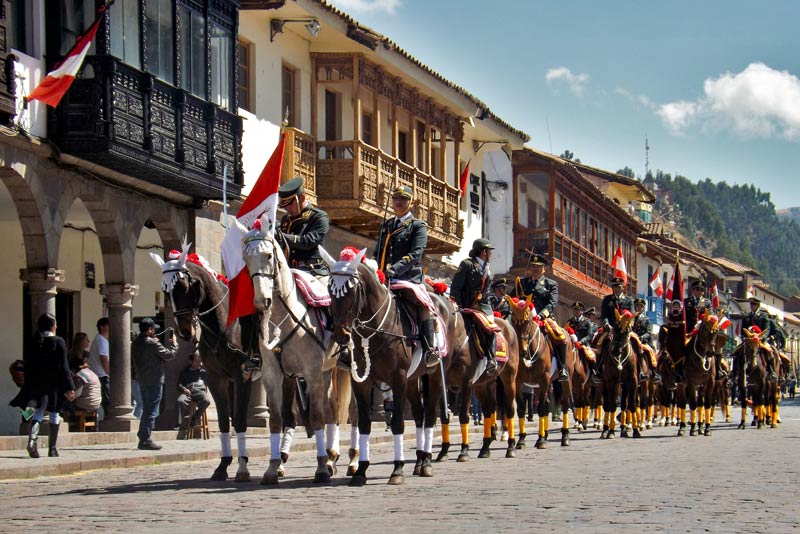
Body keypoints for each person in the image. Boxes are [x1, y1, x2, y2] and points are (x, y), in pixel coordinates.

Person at [372, 185, 439, 368]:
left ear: (411, 203)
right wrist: (373, 267)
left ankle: (429, 349)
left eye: (403, 199)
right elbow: (378, 251)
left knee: (422, 304)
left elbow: (415, 254)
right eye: (395, 199)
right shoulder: (387, 225)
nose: (398, 203)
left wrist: (395, 269)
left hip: (407, 277)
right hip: (385, 277)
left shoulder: (417, 226)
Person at [9, 313, 75, 458]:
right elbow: (64, 367)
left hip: (36, 383)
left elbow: (28, 364)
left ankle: (32, 441)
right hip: (53, 384)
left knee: (37, 412)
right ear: (53, 326)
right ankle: (52, 448)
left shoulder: (33, 341)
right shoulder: (58, 341)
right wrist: (70, 387)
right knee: (54, 414)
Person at [514, 254, 567, 380]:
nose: (535, 269)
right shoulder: (522, 282)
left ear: (544, 269)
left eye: (538, 267)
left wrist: (541, 315)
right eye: (532, 266)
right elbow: (515, 298)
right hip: (524, 317)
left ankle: (562, 367)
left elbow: (552, 303)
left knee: (559, 335)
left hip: (543, 317)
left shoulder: (551, 284)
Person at [450, 238, 498, 372]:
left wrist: (485, 304)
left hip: (482, 305)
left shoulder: (487, 269)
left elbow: (486, 291)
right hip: (466, 303)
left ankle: (491, 358)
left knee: (491, 325)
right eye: (489, 252)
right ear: (484, 252)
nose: (491, 255)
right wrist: (458, 304)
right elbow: (456, 287)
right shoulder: (467, 264)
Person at [131, 317, 178, 450]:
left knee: (147, 408)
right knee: (151, 411)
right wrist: (174, 343)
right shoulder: (152, 343)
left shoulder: (135, 342)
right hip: (155, 380)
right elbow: (170, 355)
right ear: (150, 329)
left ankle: (143, 434)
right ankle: (145, 438)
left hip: (142, 380)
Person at [276, 176, 331, 276]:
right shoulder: (286, 219)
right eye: (285, 207)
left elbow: (308, 242)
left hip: (312, 271)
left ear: (302, 198)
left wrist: (280, 236)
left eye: (290, 205)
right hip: (288, 270)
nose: (287, 209)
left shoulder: (319, 216)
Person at [741, 297, 775, 380]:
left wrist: (763, 337)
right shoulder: (747, 316)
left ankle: (771, 372)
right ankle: (734, 374)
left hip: (760, 340)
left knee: (769, 352)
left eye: (753, 304)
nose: (751, 306)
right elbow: (743, 329)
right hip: (749, 341)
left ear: (757, 305)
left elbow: (767, 329)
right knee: (737, 352)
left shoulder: (764, 316)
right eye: (751, 304)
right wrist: (744, 337)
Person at [177, 351, 210, 429]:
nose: (199, 363)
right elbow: (178, 385)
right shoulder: (185, 372)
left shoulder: (203, 372)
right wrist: (184, 389)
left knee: (206, 401)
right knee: (181, 400)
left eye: (200, 361)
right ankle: (181, 422)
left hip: (200, 391)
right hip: (188, 391)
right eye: (197, 361)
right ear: (191, 361)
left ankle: (195, 418)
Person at [633, 298, 661, 383]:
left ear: (643, 308)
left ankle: (653, 372)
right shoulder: (631, 318)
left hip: (643, 341)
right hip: (632, 340)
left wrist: (641, 337)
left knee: (647, 352)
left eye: (640, 306)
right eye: (637, 306)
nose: (638, 308)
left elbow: (648, 332)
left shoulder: (646, 319)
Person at [88, 317, 110, 417]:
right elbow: (103, 358)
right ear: (102, 327)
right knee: (108, 402)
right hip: (102, 376)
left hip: (100, 375)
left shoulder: (102, 340)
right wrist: (109, 373)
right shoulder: (101, 340)